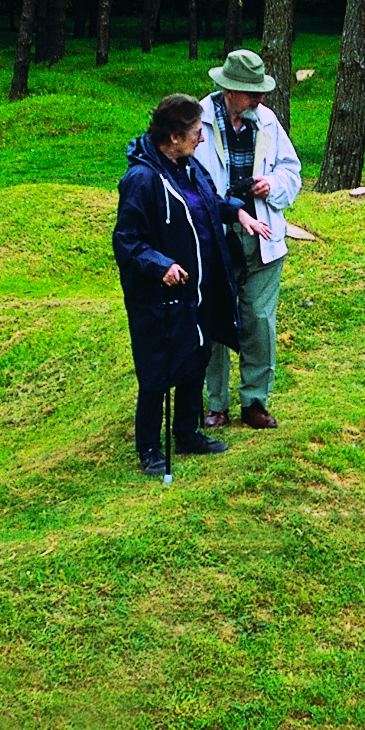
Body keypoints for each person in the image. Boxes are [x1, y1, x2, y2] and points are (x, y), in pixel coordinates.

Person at [113, 93, 273, 477]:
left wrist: (237, 212)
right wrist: (161, 265)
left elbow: (209, 202)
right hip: (161, 294)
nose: (202, 139)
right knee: (157, 369)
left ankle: (187, 432)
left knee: (195, 357)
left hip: (199, 287)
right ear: (173, 137)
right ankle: (150, 447)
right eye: (196, 133)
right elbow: (127, 241)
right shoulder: (141, 180)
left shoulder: (190, 167)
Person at [194, 49, 302, 431]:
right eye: (251, 92)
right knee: (214, 320)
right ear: (229, 90)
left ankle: (255, 402)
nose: (259, 98)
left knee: (259, 320)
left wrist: (270, 184)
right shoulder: (198, 120)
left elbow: (292, 172)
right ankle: (216, 404)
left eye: (260, 91)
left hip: (262, 235)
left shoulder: (267, 121)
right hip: (213, 236)